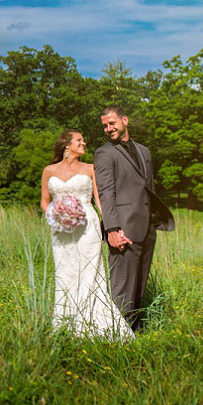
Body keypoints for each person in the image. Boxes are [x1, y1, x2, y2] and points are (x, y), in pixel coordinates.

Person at [40, 129, 132, 340]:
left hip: (88, 227)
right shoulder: (49, 171)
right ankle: (67, 326)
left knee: (91, 273)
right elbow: (45, 202)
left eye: (83, 139)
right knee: (66, 273)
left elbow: (100, 201)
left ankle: (97, 326)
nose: (84, 143)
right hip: (61, 230)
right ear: (66, 145)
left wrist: (112, 228)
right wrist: (58, 214)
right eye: (79, 140)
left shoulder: (91, 169)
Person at [94, 106, 175, 332]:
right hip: (122, 230)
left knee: (139, 287)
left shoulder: (144, 151)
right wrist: (111, 229)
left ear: (125, 120)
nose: (108, 129)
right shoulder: (104, 153)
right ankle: (115, 337)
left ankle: (136, 334)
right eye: (104, 126)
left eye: (112, 123)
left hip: (147, 228)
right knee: (122, 289)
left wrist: (154, 221)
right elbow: (106, 192)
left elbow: (149, 188)